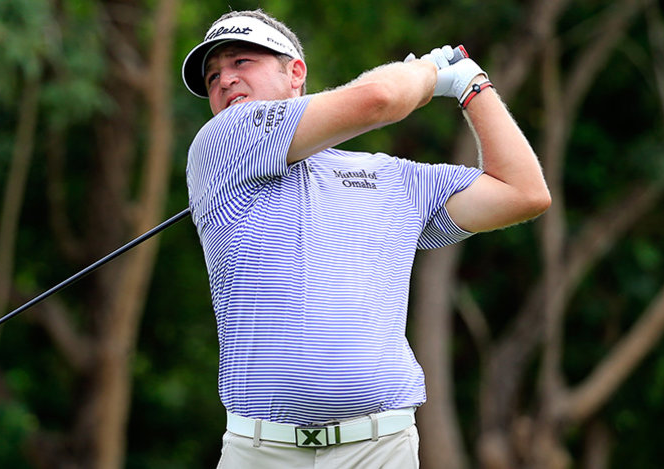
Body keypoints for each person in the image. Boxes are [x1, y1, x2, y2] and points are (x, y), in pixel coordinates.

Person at [181, 9, 550, 469]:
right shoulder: (222, 141)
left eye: (241, 62)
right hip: (261, 451)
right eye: (212, 76)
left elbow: (523, 193)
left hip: (379, 448)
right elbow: (380, 97)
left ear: (295, 73)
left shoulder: (389, 177)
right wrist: (430, 71)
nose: (224, 80)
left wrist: (472, 85)